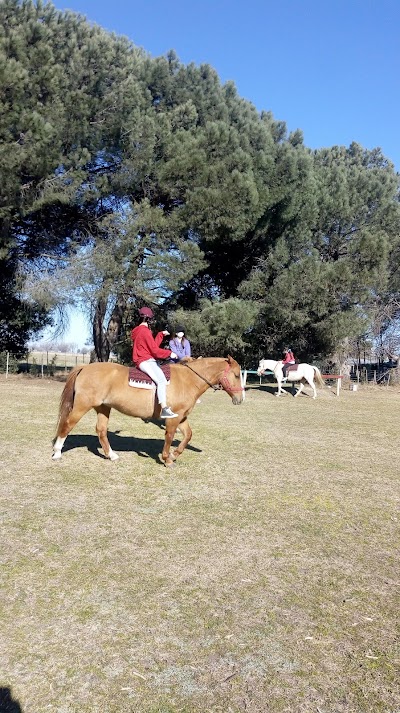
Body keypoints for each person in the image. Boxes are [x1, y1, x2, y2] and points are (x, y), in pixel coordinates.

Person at [131, 306, 178, 419]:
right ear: (149, 319)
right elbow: (155, 351)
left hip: (142, 359)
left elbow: (152, 346)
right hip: (146, 360)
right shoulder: (145, 331)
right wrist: (169, 354)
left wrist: (160, 334)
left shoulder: (138, 331)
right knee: (161, 381)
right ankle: (165, 409)